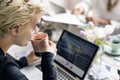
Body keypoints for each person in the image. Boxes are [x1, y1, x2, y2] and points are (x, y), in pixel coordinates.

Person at [0, 0, 57, 80]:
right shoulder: (8, 71)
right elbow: (8, 72)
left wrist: (24, 61)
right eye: (35, 26)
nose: (37, 31)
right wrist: (48, 61)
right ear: (15, 29)